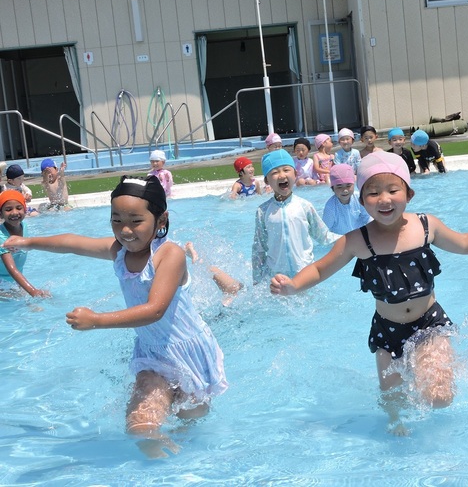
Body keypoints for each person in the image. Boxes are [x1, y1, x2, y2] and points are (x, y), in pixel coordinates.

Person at [270, 152, 468, 435]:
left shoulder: (425, 226)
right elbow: (320, 269)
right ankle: (397, 424)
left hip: (428, 324)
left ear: (408, 194)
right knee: (394, 403)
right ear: (362, 201)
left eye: (392, 190)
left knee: (438, 398)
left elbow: (464, 242)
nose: (384, 199)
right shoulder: (357, 240)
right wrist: (293, 286)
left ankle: (439, 364)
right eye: (373, 193)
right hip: (387, 332)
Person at [3, 176, 227, 458]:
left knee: (192, 422)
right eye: (116, 220)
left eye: (136, 220)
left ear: (161, 220)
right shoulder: (119, 251)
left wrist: (97, 320)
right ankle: (160, 472)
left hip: (189, 351)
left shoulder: (169, 255)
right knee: (141, 427)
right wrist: (28, 241)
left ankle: (190, 471)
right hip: (152, 355)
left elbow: (155, 309)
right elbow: (73, 243)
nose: (125, 230)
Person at [252, 149, 339, 284]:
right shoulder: (263, 211)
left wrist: (351, 240)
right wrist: (257, 280)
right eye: (274, 172)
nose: (281, 175)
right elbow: (259, 248)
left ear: (295, 173)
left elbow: (324, 236)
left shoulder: (304, 206)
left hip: (305, 276)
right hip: (277, 279)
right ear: (266, 180)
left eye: (286, 170)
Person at [0, 190, 49, 297]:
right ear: (1, 213)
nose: (14, 212)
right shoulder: (1, 236)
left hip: (15, 280)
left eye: (19, 208)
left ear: (25, 209)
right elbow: (11, 268)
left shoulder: (24, 226)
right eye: (8, 209)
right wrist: (33, 291)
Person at [321, 164, 371, 235]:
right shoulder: (330, 207)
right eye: (339, 187)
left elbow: (367, 217)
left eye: (348, 186)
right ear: (333, 188)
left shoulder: (359, 198)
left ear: (354, 184)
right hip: (340, 239)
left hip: (359, 236)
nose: (345, 190)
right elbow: (325, 230)